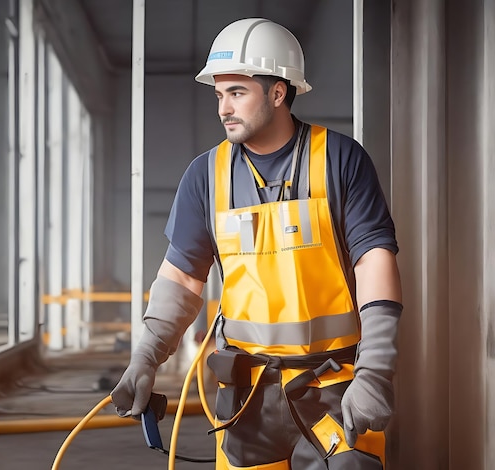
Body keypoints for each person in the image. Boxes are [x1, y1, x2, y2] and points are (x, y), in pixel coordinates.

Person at [111, 17, 403, 470]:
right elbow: (182, 277)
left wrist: (377, 369)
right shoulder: (205, 176)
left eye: (237, 92)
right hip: (246, 399)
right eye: (219, 94)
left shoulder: (341, 159)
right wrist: (146, 356)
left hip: (331, 388)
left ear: (278, 92)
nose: (224, 107)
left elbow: (374, 260)